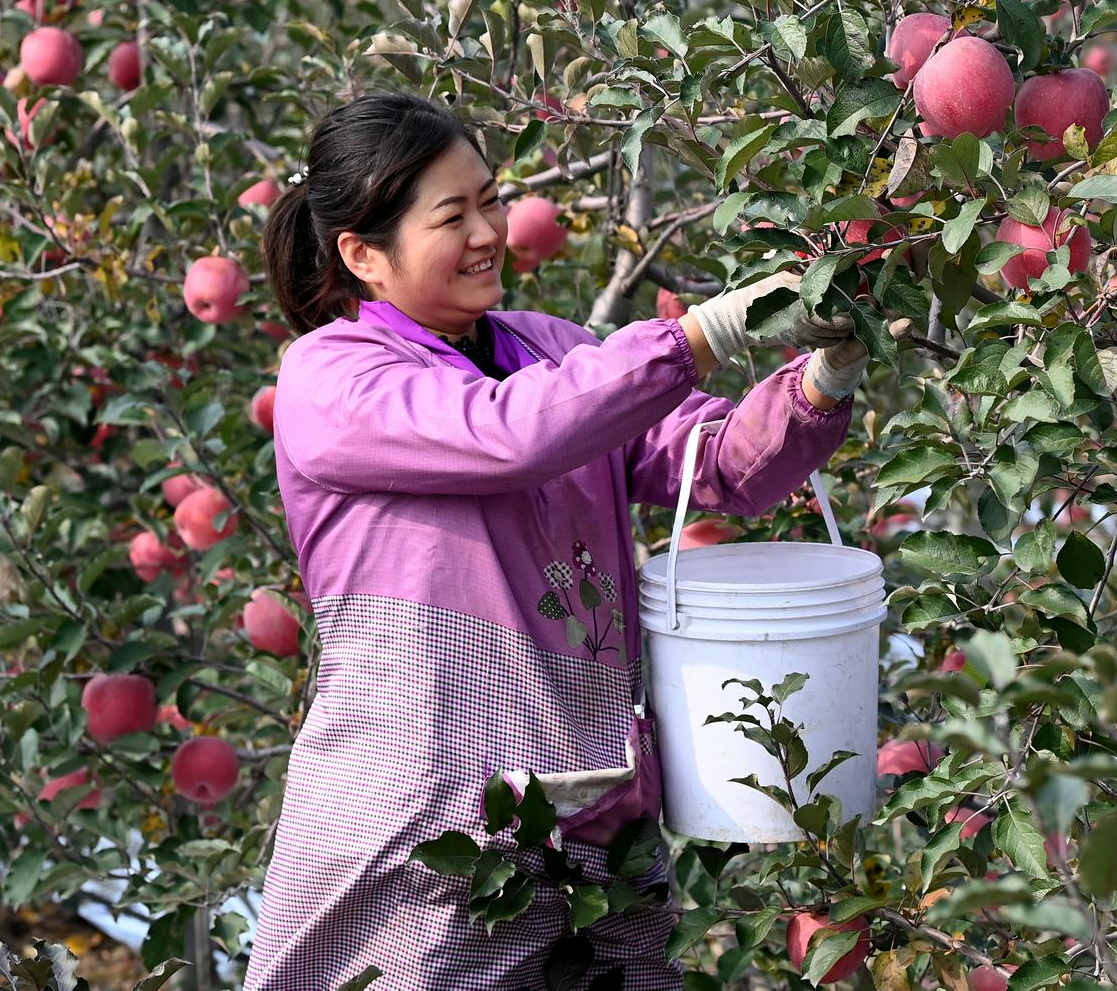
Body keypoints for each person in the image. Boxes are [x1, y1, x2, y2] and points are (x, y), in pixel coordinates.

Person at [245, 93, 870, 989]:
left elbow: (720, 463)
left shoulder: (550, 350)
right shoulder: (331, 378)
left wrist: (823, 373)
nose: (489, 231)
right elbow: (507, 434)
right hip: (427, 827)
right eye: (452, 215)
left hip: (594, 817)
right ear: (361, 255)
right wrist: (702, 333)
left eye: (491, 201)